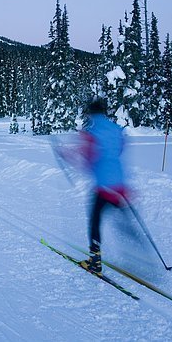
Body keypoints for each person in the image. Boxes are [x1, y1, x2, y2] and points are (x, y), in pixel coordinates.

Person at [58, 98, 129, 275]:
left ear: (91, 113)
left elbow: (85, 157)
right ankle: (142, 256)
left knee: (95, 222)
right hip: (120, 184)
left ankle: (95, 262)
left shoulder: (91, 133)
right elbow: (120, 148)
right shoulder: (116, 129)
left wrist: (63, 154)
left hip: (103, 187)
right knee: (123, 219)